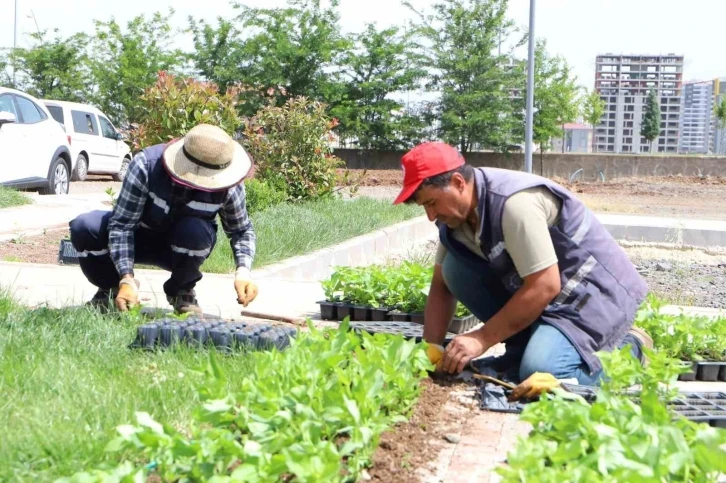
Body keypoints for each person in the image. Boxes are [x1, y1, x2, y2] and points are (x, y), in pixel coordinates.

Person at [392, 142, 652, 391]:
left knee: (543, 371)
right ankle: (524, 349)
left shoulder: (513, 203)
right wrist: (432, 346)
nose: (430, 216)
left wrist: (481, 338)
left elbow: (545, 285)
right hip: (548, 297)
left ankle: (632, 350)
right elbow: (441, 285)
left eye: (431, 203)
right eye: (423, 206)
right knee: (453, 270)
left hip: (589, 297)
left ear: (458, 183)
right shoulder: (456, 219)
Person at [69, 124, 259, 315]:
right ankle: (111, 289)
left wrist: (243, 272)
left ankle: (181, 290)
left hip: (182, 247)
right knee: (85, 226)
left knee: (195, 231)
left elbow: (241, 231)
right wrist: (126, 278)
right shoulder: (146, 165)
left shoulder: (229, 185)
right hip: (138, 238)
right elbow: (122, 225)